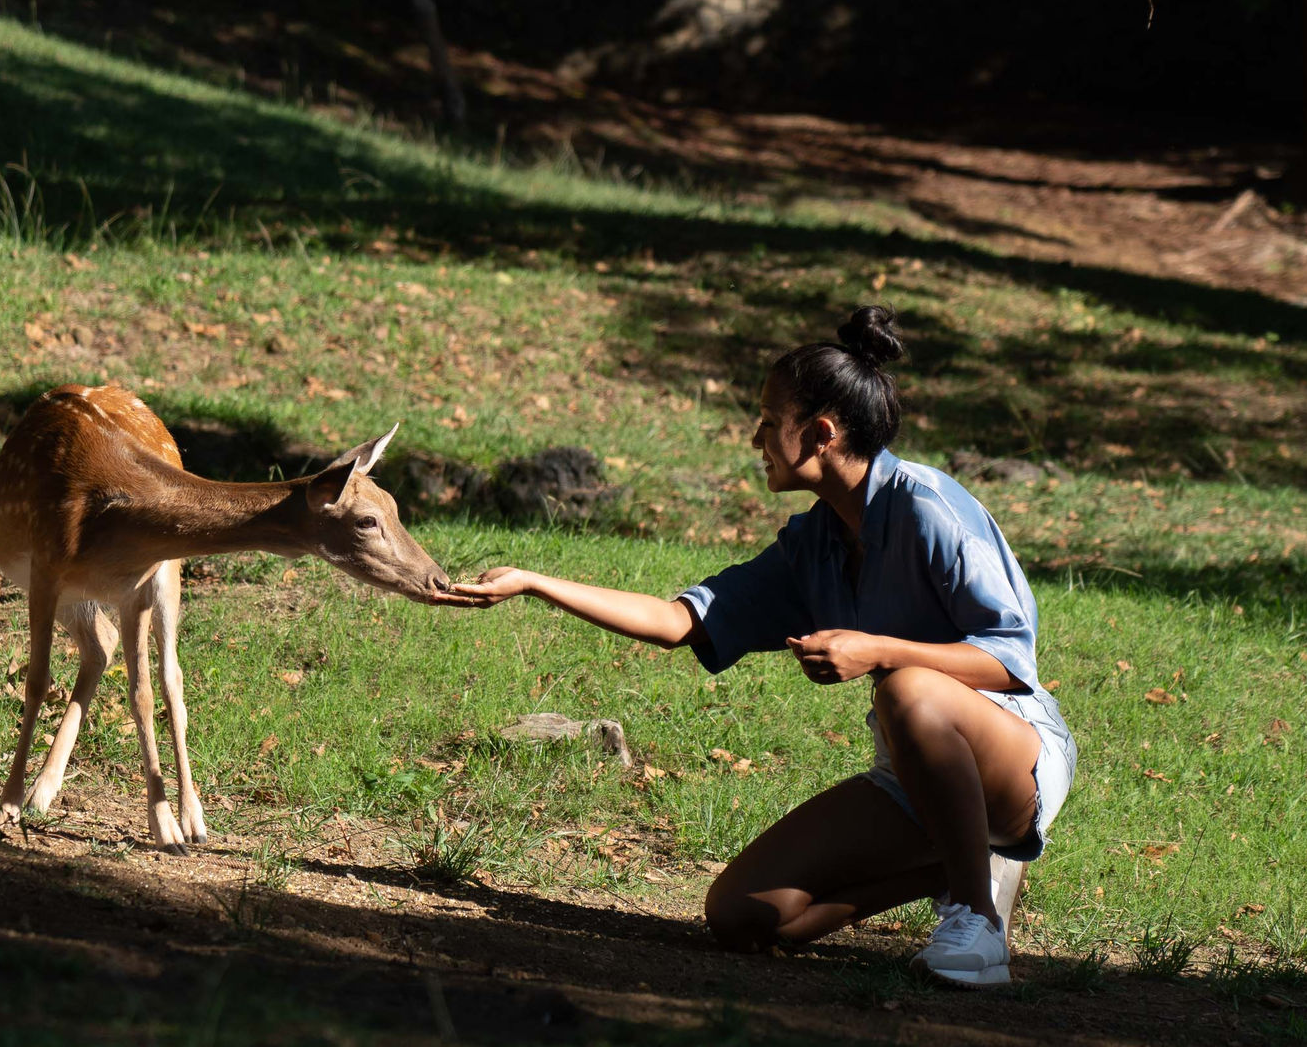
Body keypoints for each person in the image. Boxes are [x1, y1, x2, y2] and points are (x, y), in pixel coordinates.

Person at [435, 306, 1075, 988]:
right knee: (742, 916)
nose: (756, 438)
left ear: (821, 434)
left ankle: (978, 923)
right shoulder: (813, 544)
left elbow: (1008, 662)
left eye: (770, 421)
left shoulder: (928, 507)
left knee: (906, 687)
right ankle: (954, 866)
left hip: (1014, 754)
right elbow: (678, 620)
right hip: (913, 768)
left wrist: (876, 649)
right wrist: (534, 583)